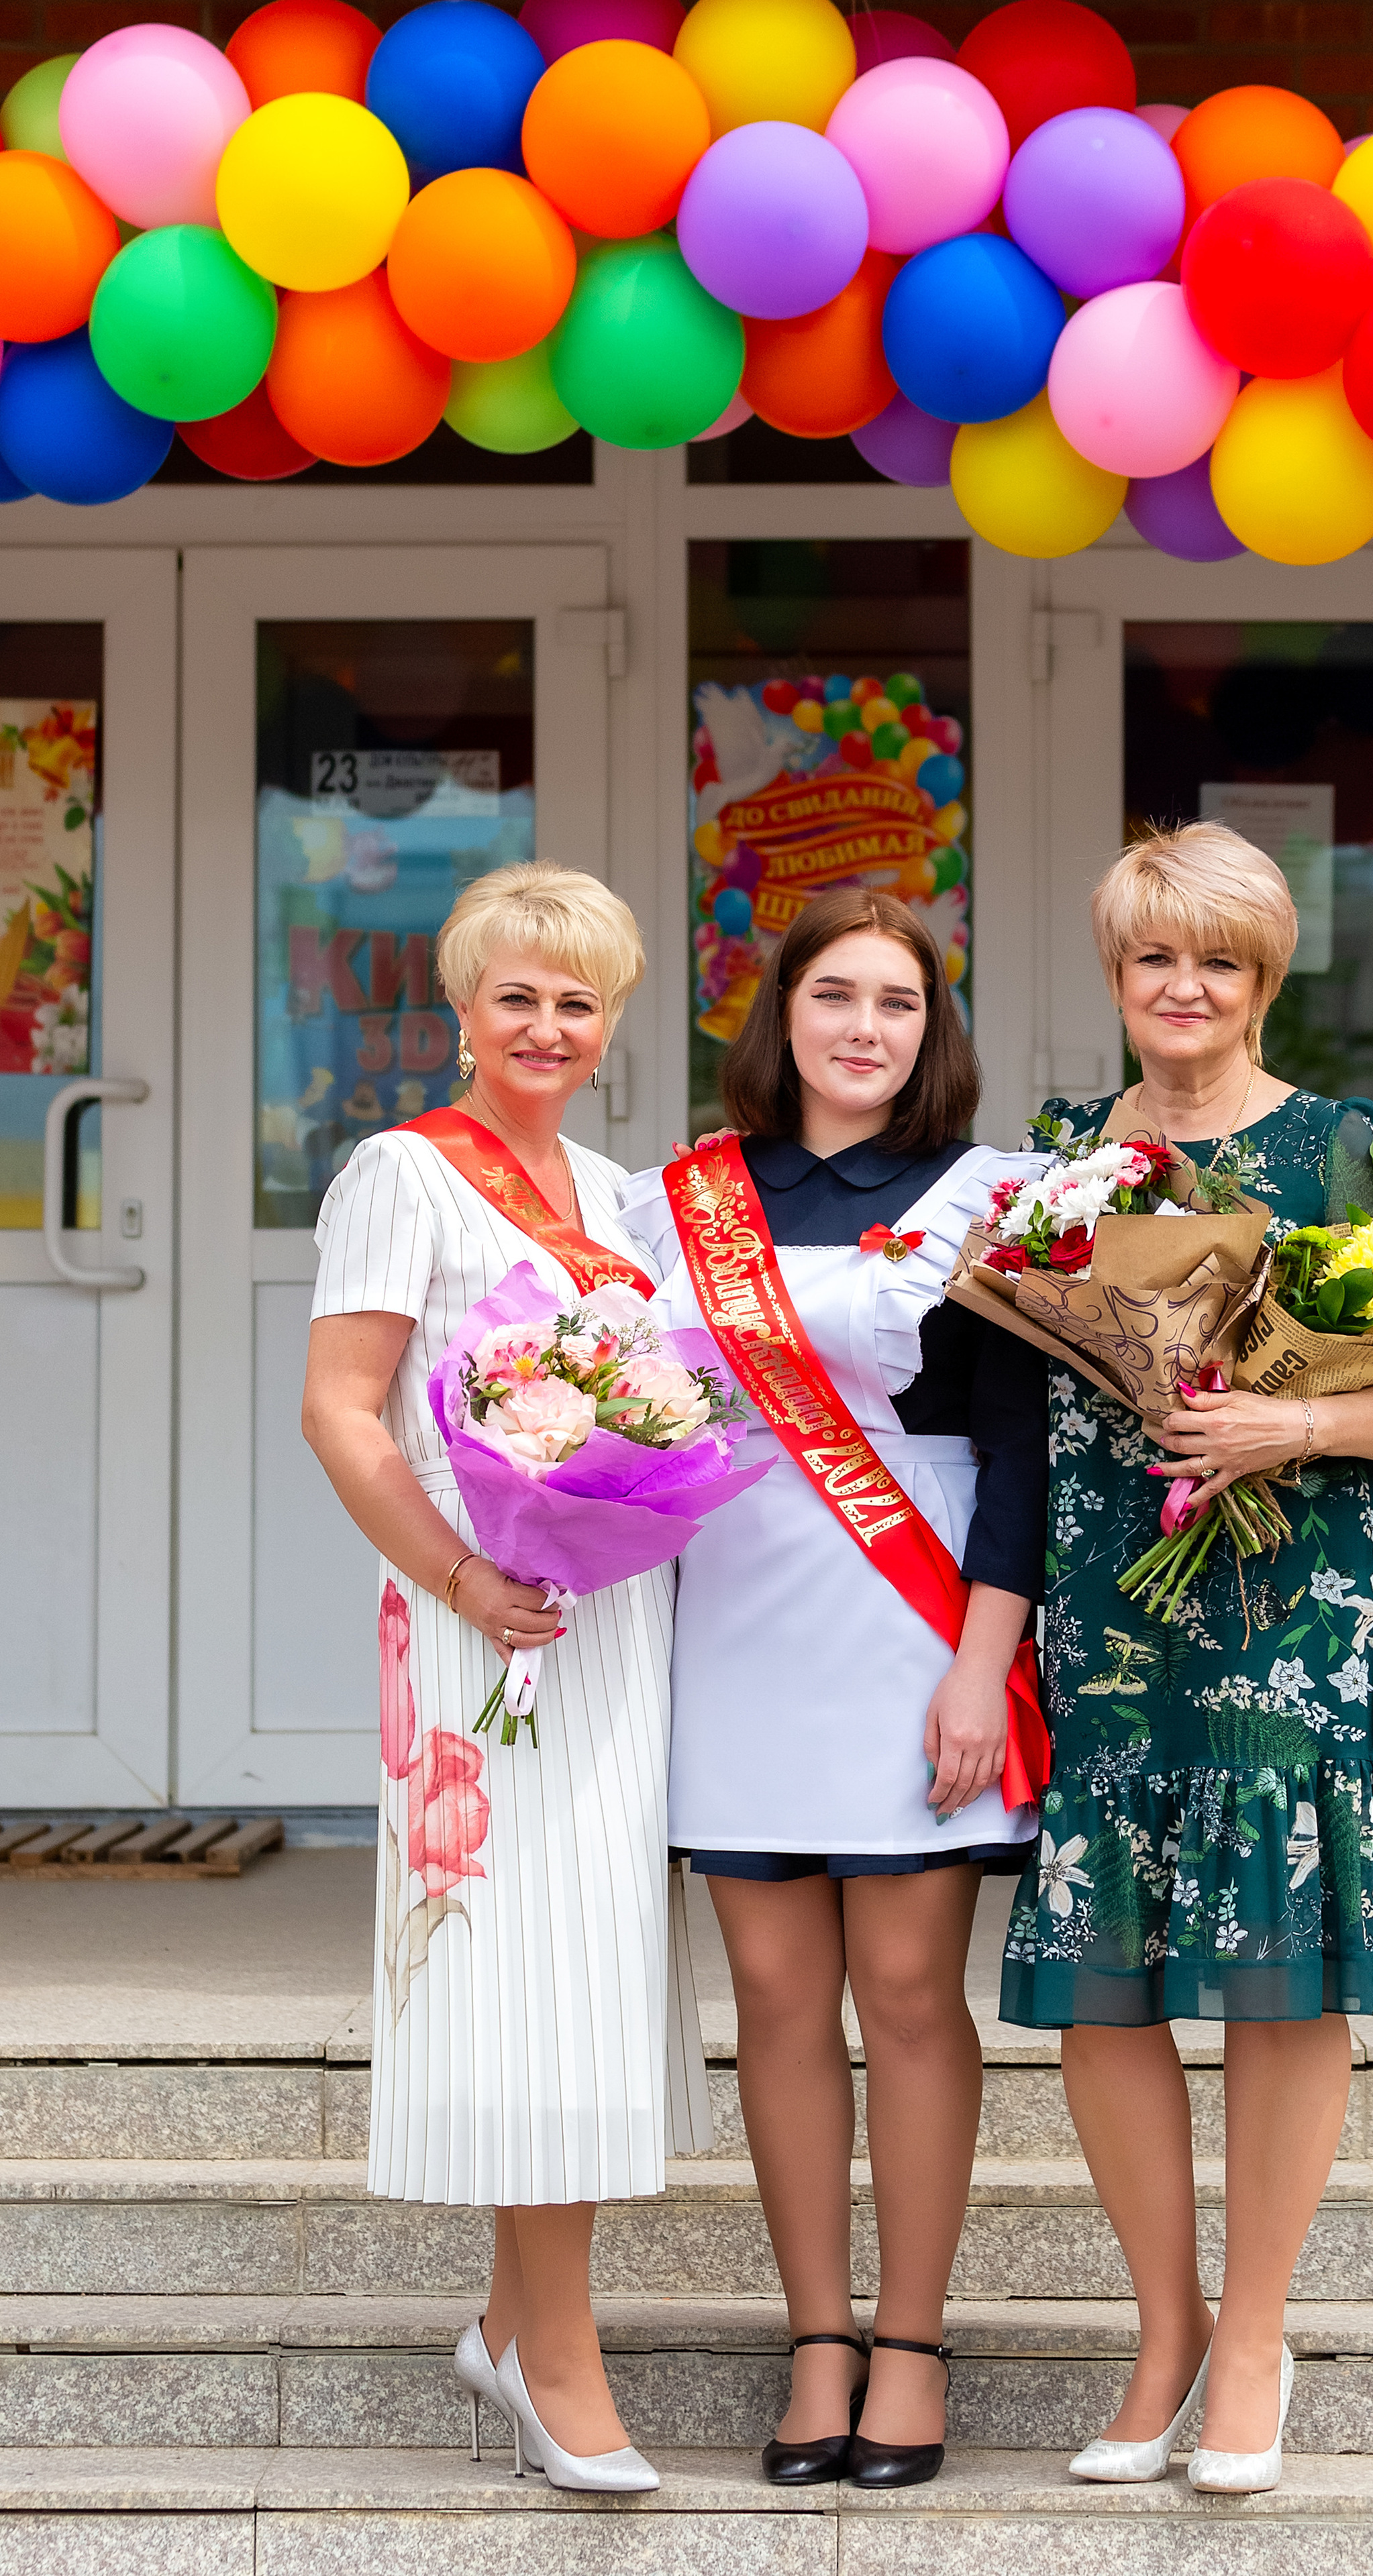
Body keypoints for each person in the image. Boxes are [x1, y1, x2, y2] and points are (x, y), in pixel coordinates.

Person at [1001, 822, 1373, 2496]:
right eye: (1151, 959)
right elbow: (1013, 1396)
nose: (1181, 988)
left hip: (1293, 1616)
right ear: (1116, 975)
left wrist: (1293, 1418)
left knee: (1282, 1984)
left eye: (1215, 960)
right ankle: (1162, 2332)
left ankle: (1256, 2337)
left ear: (1260, 978)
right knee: (1108, 1990)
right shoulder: (1059, 1158)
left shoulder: (1340, 1146)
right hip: (1112, 1609)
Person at [617, 888, 1048, 2491]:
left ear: (932, 1033)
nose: (866, 1028)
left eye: (899, 1003)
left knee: (912, 1998)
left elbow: (1020, 1448)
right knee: (780, 2006)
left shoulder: (987, 1197)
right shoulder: (686, 1201)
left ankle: (915, 2343)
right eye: (836, 996)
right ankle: (814, 2338)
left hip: (916, 1613)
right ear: (779, 1015)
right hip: (735, 1613)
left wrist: (978, 1666)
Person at [302, 860, 710, 2498]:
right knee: (520, 1971)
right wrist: (468, 1575)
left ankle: (502, 2321)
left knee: (588, 1973)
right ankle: (560, 2363)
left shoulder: (618, 1194)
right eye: (516, 995)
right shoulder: (404, 1173)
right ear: (464, 1010)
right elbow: (345, 1408)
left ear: (610, 1022)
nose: (547, 1024)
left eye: (579, 999)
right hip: (478, 1623)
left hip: (612, 1624)